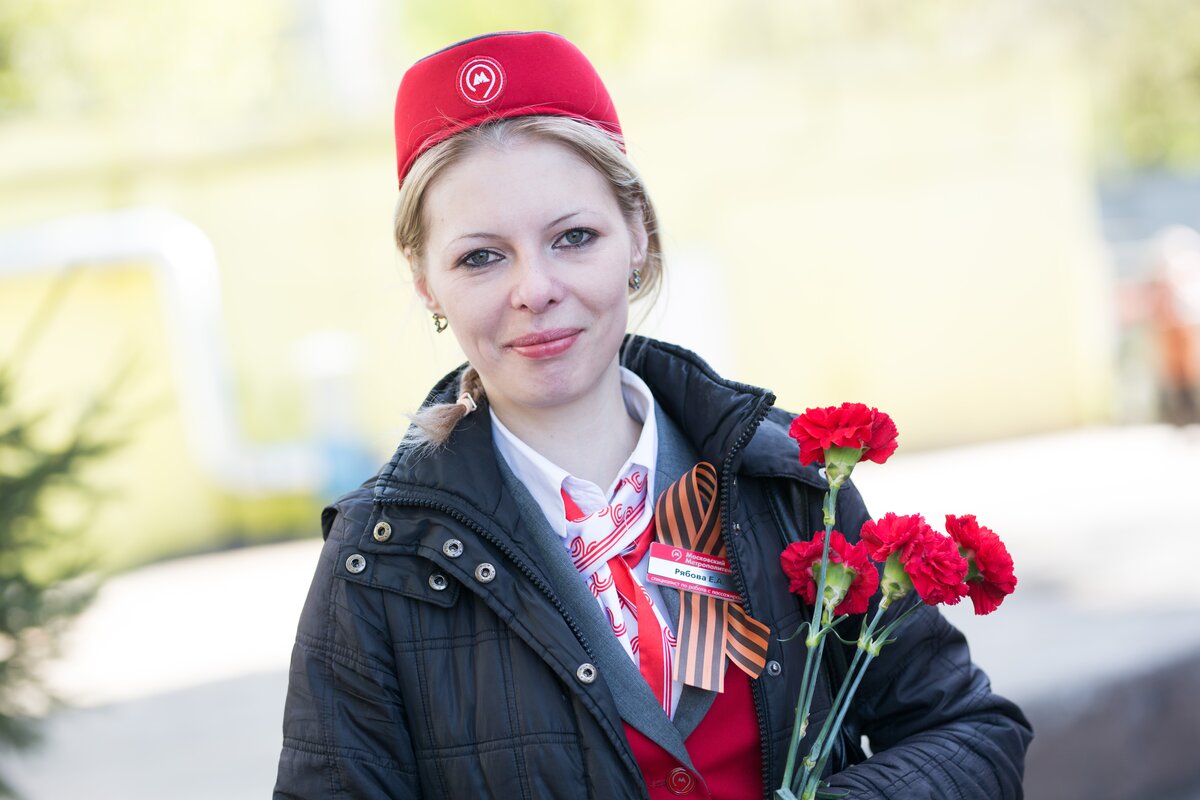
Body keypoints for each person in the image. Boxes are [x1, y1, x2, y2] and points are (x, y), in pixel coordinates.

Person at [274, 31, 1031, 800]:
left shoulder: (786, 481)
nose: (535, 290)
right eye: (481, 257)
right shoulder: (380, 563)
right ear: (424, 282)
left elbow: (969, 733)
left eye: (574, 237)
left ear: (637, 235)